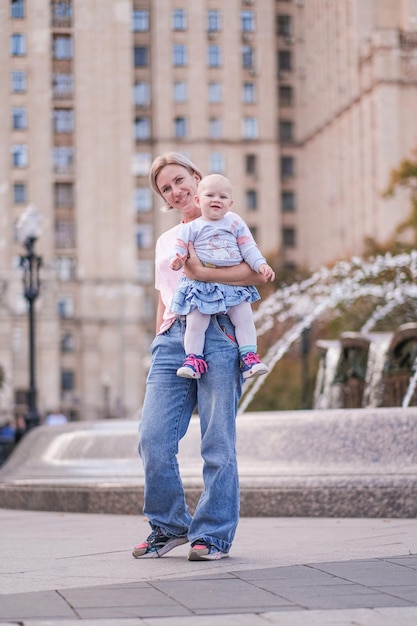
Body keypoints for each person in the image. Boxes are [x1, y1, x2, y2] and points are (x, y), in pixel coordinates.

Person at [132, 153, 268, 562]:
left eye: (179, 180)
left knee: (217, 443)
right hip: (174, 337)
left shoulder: (228, 222)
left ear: (197, 177)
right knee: (153, 439)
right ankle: (169, 524)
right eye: (166, 189)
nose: (176, 191)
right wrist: (159, 338)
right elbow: (164, 294)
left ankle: (213, 535)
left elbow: (253, 272)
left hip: (221, 333)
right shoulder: (165, 240)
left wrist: (205, 274)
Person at [169, 173, 275, 380]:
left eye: (223, 197)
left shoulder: (234, 222)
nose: (217, 199)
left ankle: (249, 357)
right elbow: (180, 248)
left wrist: (261, 264)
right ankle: (193, 359)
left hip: (233, 284)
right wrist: (178, 260)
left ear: (230, 204)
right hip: (202, 286)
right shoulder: (192, 227)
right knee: (196, 322)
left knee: (244, 318)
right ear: (198, 201)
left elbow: (248, 247)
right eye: (210, 195)